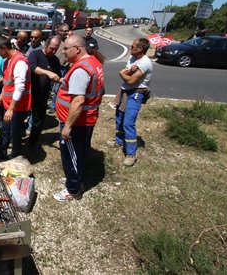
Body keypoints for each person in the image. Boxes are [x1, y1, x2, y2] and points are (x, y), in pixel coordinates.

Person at [53, 35, 105, 202]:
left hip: (78, 122)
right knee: (78, 153)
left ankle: (73, 189)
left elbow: (78, 100)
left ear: (77, 49)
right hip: (85, 120)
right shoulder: (93, 62)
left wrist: (67, 126)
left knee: (71, 156)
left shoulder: (80, 70)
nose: (63, 51)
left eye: (66, 48)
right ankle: (73, 179)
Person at [107, 38, 153, 167]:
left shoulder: (144, 63)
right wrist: (126, 73)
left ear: (140, 49)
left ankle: (131, 153)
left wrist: (122, 73)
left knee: (128, 123)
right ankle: (119, 140)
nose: (130, 47)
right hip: (126, 92)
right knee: (120, 117)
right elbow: (128, 74)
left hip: (136, 93)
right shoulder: (133, 58)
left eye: (133, 46)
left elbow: (131, 81)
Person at [0, 37, 32, 160]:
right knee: (5, 130)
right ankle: (3, 154)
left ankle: (15, 157)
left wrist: (11, 109)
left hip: (17, 107)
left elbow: (19, 87)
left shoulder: (19, 62)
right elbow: (7, 84)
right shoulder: (7, 61)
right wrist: (0, 99)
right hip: (7, 104)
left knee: (15, 134)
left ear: (4, 48)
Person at [28, 36, 61, 148]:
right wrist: (48, 73)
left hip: (42, 95)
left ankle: (33, 142)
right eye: (51, 48)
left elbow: (58, 76)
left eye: (56, 49)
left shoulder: (55, 60)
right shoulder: (35, 54)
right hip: (28, 93)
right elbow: (33, 67)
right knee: (20, 117)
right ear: (45, 45)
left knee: (39, 120)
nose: (54, 51)